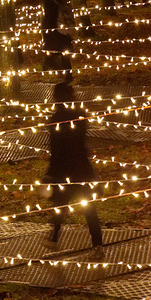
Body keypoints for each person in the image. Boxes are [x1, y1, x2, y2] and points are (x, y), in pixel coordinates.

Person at [43, 81, 103, 259]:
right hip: (81, 167)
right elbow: (81, 144)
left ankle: (54, 237)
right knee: (89, 208)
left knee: (60, 205)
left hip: (64, 170)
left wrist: (50, 173)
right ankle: (97, 245)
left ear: (56, 98)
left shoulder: (55, 119)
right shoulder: (80, 115)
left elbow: (56, 149)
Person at [41, 0, 73, 82]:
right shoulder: (61, 1)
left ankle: (62, 75)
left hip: (55, 33)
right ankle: (68, 77)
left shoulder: (49, 3)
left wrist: (47, 33)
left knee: (50, 58)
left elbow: (49, 20)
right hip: (65, 34)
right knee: (65, 57)